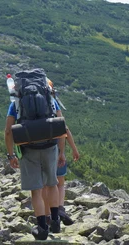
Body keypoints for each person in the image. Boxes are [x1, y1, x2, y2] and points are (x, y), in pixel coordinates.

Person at [5, 94, 66, 240]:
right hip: (50, 147)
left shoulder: (17, 104)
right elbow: (62, 127)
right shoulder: (50, 101)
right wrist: (61, 152)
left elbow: (8, 131)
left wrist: (11, 155)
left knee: (36, 191)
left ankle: (42, 228)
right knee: (52, 184)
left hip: (28, 149)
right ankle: (56, 221)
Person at [47, 79, 80, 226]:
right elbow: (64, 129)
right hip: (56, 149)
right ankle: (60, 209)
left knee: (44, 185)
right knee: (59, 183)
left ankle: (46, 214)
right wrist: (70, 150)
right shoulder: (53, 103)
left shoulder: (25, 105)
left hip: (36, 150)